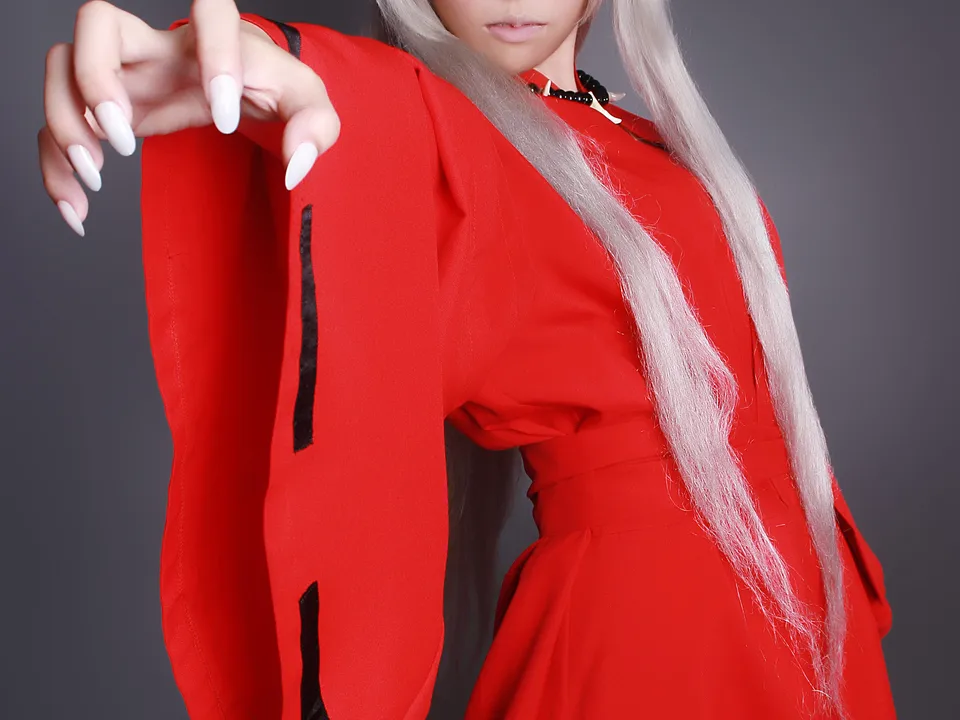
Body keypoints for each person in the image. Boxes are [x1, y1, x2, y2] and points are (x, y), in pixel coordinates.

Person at [37, 0, 896, 718]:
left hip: (806, 606)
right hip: (647, 640)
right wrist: (240, 61)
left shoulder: (653, 139)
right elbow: (372, 115)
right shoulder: (464, 141)